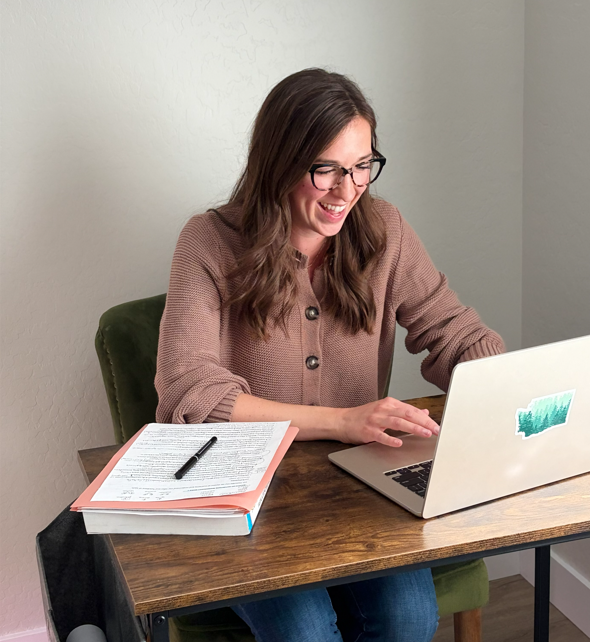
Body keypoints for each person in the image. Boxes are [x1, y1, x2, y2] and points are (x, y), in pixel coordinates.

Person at [155, 68, 505, 642]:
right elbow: (187, 390)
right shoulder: (208, 241)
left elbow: (452, 332)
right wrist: (341, 421)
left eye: (362, 165)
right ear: (280, 162)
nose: (348, 190)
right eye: (326, 170)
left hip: (363, 484)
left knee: (409, 617)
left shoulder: (384, 230)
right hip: (249, 489)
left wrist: (506, 385)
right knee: (305, 630)